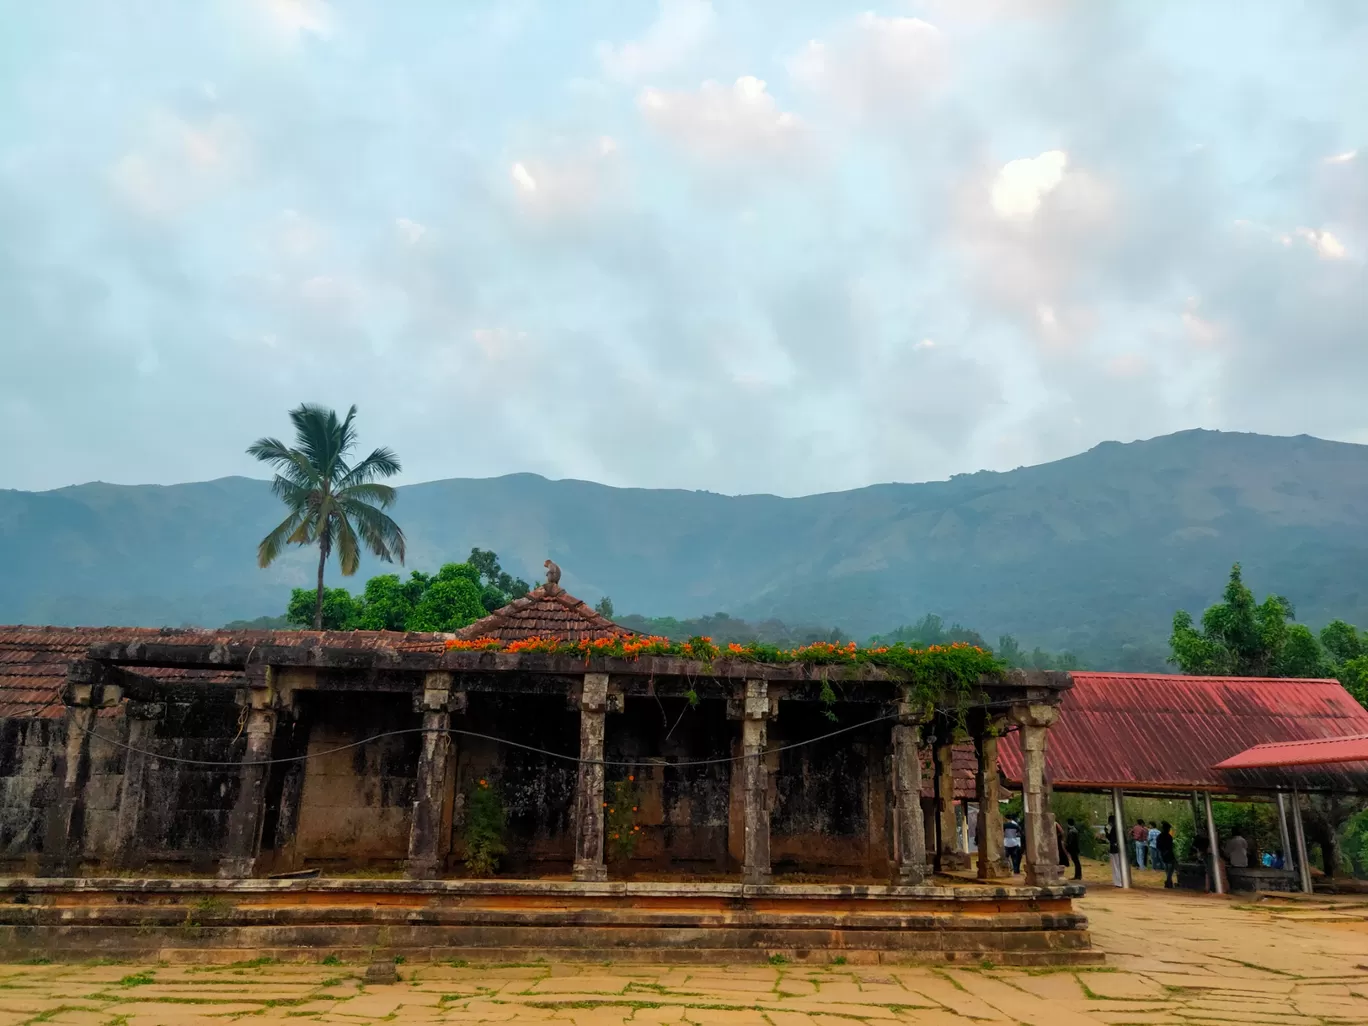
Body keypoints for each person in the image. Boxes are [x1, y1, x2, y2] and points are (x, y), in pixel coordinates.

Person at [1156, 821, 1177, 888]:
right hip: (1168, 854)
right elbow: (1169, 847)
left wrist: (1161, 853)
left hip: (1162, 853)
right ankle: (1168, 881)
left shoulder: (1159, 836)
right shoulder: (1168, 837)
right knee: (1171, 868)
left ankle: (1169, 882)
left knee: (1167, 869)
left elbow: (1158, 846)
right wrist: (1165, 852)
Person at [1105, 814, 1124, 887]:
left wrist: (1107, 832)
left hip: (1114, 848)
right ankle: (1119, 881)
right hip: (1119, 848)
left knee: (1116, 866)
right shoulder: (1119, 828)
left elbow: (1110, 838)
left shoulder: (1113, 828)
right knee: (1118, 865)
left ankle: (1118, 882)